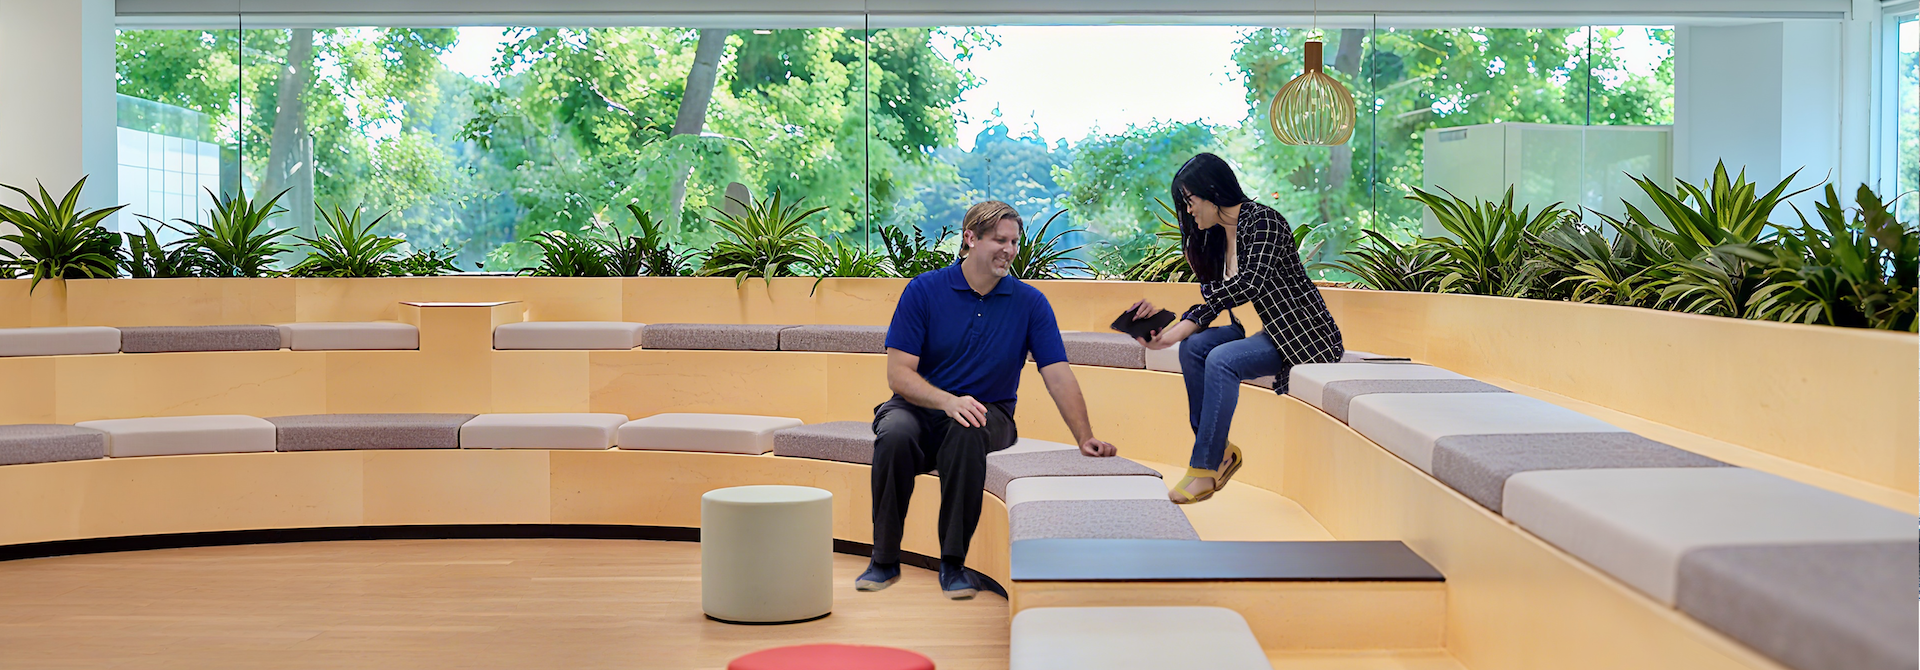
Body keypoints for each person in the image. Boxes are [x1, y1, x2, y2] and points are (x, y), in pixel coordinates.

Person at [859, 200, 1120, 600]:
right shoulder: (924, 291)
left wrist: (1084, 436)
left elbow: (1057, 374)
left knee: (968, 428)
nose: (1009, 250)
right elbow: (899, 375)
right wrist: (948, 401)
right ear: (970, 238)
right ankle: (883, 559)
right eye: (1000, 240)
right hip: (919, 406)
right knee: (894, 433)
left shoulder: (1030, 303)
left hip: (990, 411)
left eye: (1014, 242)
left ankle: (953, 564)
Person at [1127, 153, 1344, 504]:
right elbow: (1216, 302)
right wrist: (1168, 333)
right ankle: (1221, 451)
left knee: (1222, 359)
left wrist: (1186, 323)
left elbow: (1250, 284)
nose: (1189, 211)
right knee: (1193, 348)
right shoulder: (1215, 238)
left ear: (1212, 192)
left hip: (1297, 334)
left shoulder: (1264, 222)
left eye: (1190, 201)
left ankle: (1204, 467)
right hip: (1253, 330)